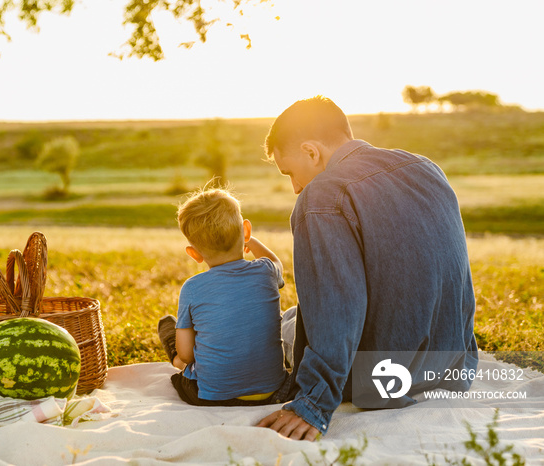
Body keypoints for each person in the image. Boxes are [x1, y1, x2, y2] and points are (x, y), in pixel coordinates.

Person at [256, 96, 479, 441]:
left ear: (311, 151)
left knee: (284, 328)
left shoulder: (321, 198)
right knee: (294, 318)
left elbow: (336, 308)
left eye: (290, 172)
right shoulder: (426, 168)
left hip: (380, 378)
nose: (296, 186)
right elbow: (458, 278)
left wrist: (314, 403)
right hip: (450, 367)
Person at [157, 187, 289, 406]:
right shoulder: (266, 271)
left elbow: (188, 354)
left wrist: (183, 358)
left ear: (194, 253)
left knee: (167, 325)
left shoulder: (192, 288)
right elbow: (276, 263)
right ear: (246, 231)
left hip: (212, 396)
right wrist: (250, 240)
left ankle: (175, 362)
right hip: (273, 390)